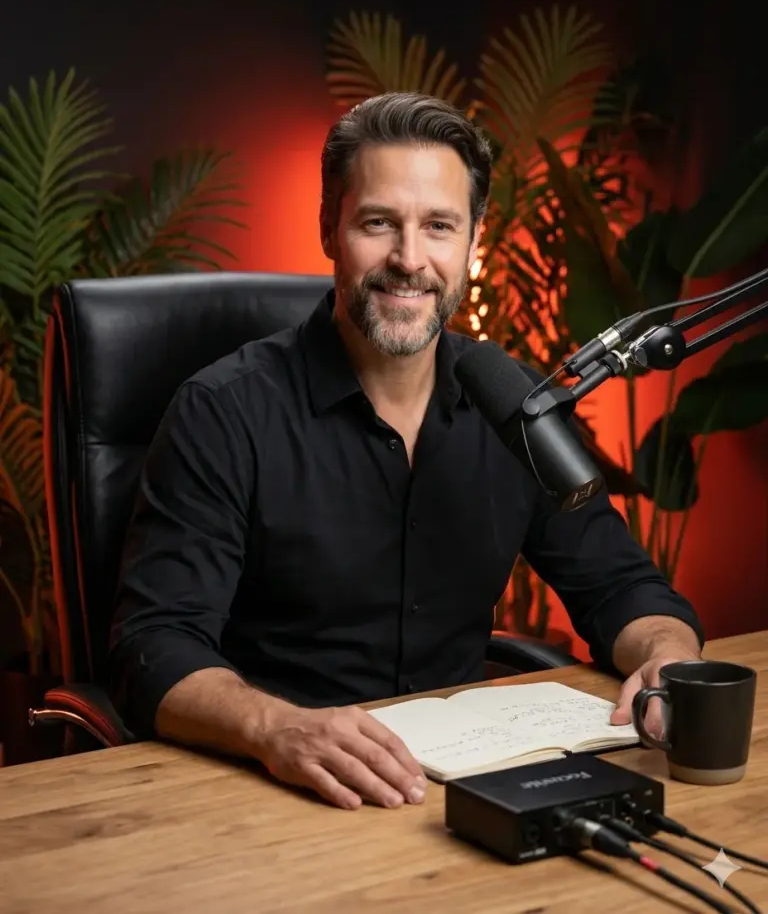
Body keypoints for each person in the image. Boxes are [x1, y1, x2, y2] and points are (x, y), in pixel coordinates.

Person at [109, 91, 704, 811]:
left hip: (464, 794)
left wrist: (668, 655)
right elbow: (154, 646)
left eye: (439, 226)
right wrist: (276, 728)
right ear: (330, 226)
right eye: (379, 222)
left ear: (473, 240)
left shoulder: (512, 401)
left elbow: (621, 587)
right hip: (274, 786)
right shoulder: (224, 411)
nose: (409, 259)